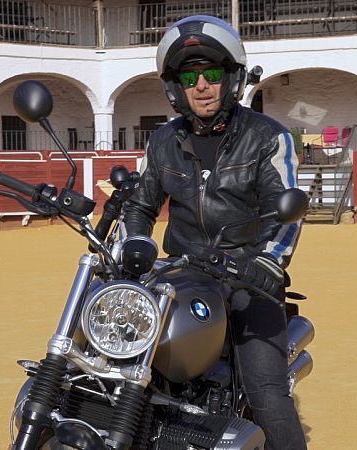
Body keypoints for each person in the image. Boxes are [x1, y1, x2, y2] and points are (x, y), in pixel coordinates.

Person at [122, 15, 306, 450]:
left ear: (231, 79)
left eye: (211, 73)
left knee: (267, 395)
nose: (201, 84)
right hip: (182, 274)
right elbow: (141, 205)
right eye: (190, 76)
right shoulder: (163, 140)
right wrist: (133, 243)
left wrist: (265, 262)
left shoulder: (267, 137)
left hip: (246, 278)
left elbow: (283, 211)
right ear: (176, 87)